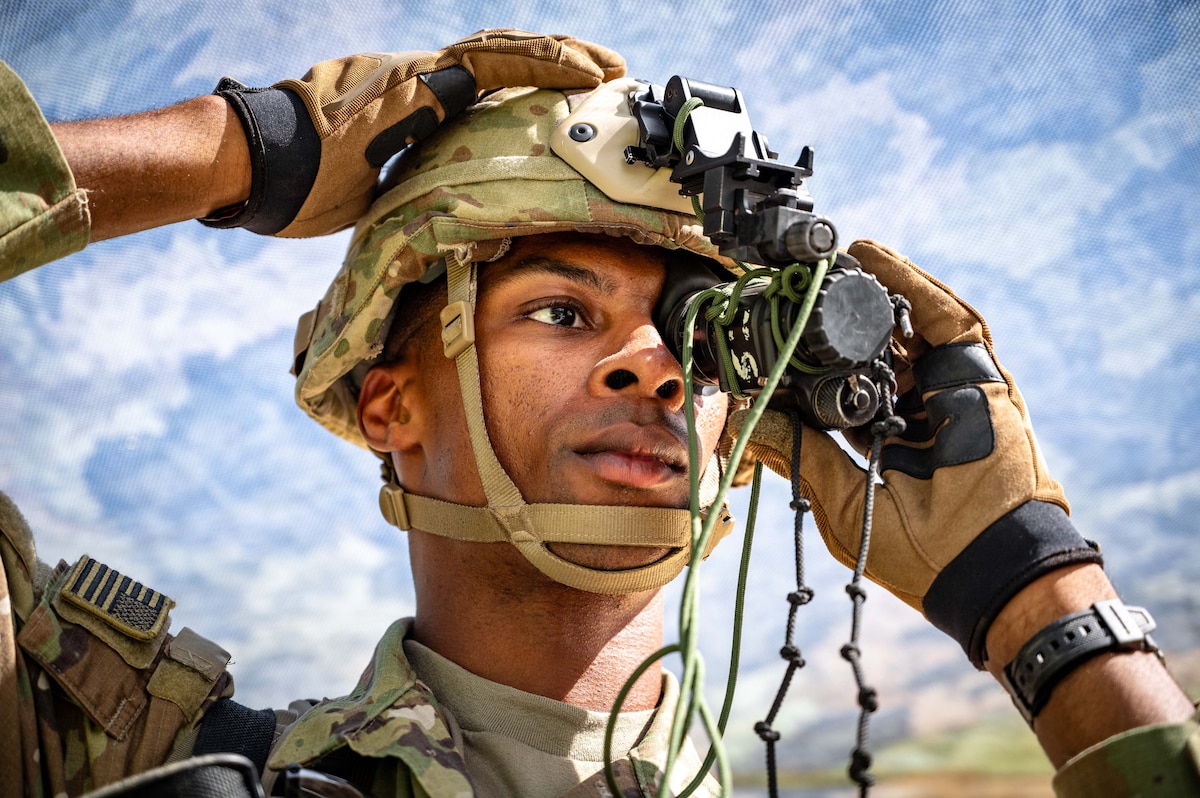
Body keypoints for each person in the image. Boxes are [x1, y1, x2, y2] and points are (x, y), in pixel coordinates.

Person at [1, 28, 1197, 798]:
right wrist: (240, 150)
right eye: (564, 314)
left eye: (692, 334)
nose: (652, 369)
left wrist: (1036, 592)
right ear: (388, 401)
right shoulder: (122, 754)